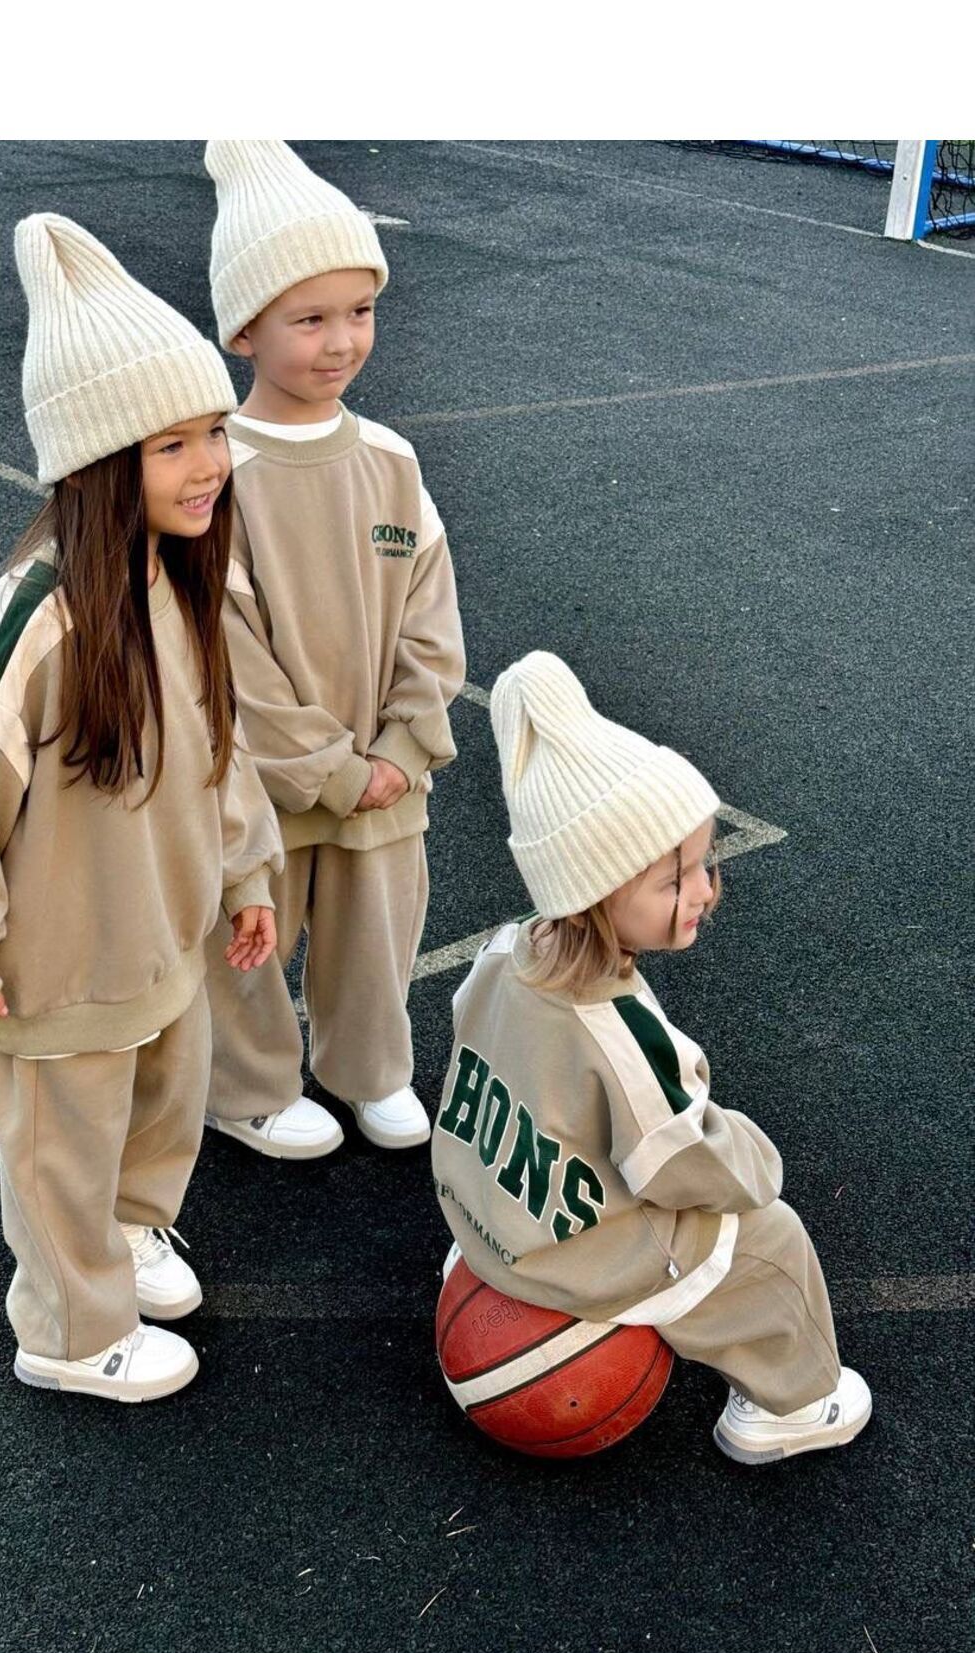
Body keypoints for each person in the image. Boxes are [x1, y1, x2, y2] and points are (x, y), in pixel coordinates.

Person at [0, 214, 283, 1404]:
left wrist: (245, 872)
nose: (210, 464)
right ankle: (66, 1326)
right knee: (59, 1151)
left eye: (214, 433)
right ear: (101, 460)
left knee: (159, 1111)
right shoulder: (38, 617)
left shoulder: (178, 580)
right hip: (60, 958)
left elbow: (215, 752)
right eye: (173, 445)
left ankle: (130, 1234)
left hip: (159, 936)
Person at [432, 650, 872, 1464]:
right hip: (578, 1254)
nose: (706, 887)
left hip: (489, 1215)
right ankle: (794, 1406)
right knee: (769, 1239)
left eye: (705, 861)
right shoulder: (618, 1030)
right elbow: (681, 1163)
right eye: (677, 878)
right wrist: (753, 1159)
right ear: (598, 891)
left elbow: (466, 1040)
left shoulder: (501, 955)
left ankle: (473, 1255)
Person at [198, 139, 466, 1159]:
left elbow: (431, 626)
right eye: (309, 319)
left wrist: (404, 745)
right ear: (244, 330)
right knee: (250, 941)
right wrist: (327, 769)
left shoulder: (392, 460)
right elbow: (227, 651)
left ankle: (371, 1068)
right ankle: (251, 1085)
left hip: (386, 781)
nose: (341, 340)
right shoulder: (221, 469)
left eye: (360, 311)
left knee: (377, 932)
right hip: (269, 785)